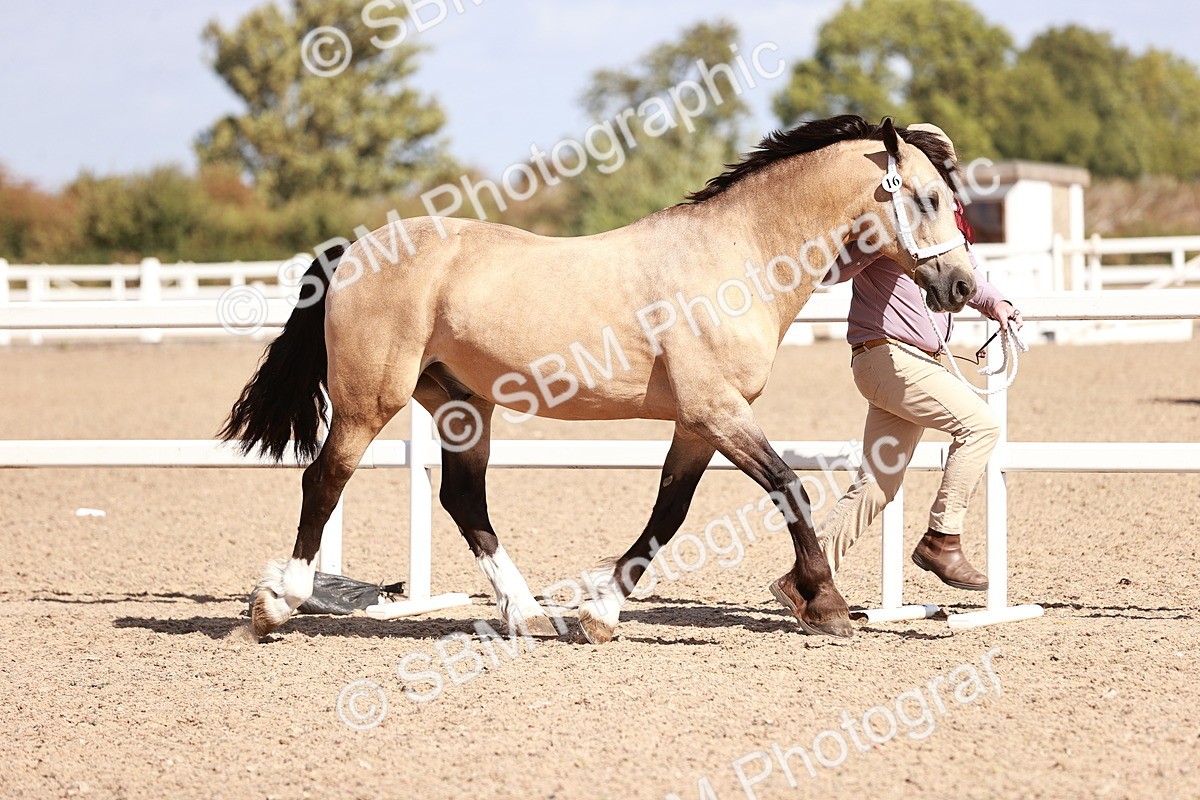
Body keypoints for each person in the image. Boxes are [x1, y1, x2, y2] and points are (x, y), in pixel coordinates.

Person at [816, 124, 1024, 590]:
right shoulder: (892, 222)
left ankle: (810, 575)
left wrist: (998, 305)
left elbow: (967, 277)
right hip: (888, 358)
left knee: (877, 484)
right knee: (980, 425)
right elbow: (833, 270)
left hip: (904, 362)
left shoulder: (938, 224)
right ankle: (942, 540)